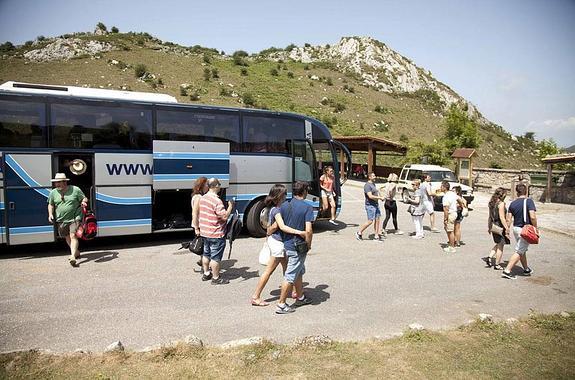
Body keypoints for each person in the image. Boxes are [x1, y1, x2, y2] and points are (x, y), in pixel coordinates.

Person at [250, 184, 307, 306]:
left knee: (289, 269)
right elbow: (280, 226)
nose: (286, 196)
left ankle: (295, 292)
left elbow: (270, 229)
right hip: (278, 244)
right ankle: (256, 296)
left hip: (278, 242)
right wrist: (299, 232)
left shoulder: (276, 208)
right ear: (279, 196)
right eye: (284, 194)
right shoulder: (276, 210)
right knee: (271, 271)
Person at [275, 181, 314, 314]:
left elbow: (279, 225)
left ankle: (300, 296)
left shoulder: (284, 205)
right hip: (299, 246)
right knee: (290, 275)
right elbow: (308, 231)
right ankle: (281, 304)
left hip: (287, 244)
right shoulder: (307, 208)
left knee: (299, 271)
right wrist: (308, 244)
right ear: (304, 192)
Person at [47, 173, 89, 267]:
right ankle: (76, 252)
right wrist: (50, 214)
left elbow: (84, 198)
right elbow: (51, 204)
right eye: (55, 182)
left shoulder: (75, 190)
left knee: (73, 235)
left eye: (58, 182)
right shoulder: (53, 193)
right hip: (61, 219)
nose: (56, 184)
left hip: (75, 217)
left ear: (65, 182)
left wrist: (83, 201)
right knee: (67, 237)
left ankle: (73, 256)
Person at [198, 178, 235, 285]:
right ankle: (216, 278)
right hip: (216, 233)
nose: (220, 186)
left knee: (206, 254)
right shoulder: (217, 201)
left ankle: (206, 274)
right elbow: (224, 217)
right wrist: (230, 207)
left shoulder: (203, 198)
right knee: (215, 258)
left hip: (204, 232)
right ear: (215, 186)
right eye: (219, 184)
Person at [502, 183, 537, 280]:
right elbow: (532, 216)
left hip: (516, 229)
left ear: (517, 192)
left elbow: (508, 219)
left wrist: (507, 230)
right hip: (525, 229)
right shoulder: (529, 202)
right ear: (526, 192)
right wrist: (535, 228)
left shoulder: (513, 203)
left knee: (522, 249)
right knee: (520, 250)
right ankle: (507, 270)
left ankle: (526, 269)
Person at [483, 187, 510, 270]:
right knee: (501, 246)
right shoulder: (501, 204)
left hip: (493, 225)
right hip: (499, 226)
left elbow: (489, 216)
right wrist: (507, 228)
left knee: (498, 243)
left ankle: (490, 257)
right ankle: (497, 264)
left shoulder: (492, 202)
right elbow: (502, 217)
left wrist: (489, 227)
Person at [355, 172, 385, 241]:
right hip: (370, 205)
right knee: (370, 221)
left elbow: (376, 192)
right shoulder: (367, 185)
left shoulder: (373, 184)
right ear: (369, 177)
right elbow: (370, 196)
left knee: (377, 220)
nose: (375, 177)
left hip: (376, 205)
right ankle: (359, 232)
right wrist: (380, 198)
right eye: (373, 176)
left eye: (375, 175)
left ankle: (376, 236)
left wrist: (380, 197)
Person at [441, 180, 458, 253]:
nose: (440, 188)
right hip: (454, 212)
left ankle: (452, 247)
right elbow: (459, 199)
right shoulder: (452, 193)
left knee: (450, 231)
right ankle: (452, 242)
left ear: (445, 187)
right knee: (449, 229)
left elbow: (446, 209)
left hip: (450, 214)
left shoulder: (446, 197)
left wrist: (445, 219)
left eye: (441, 186)